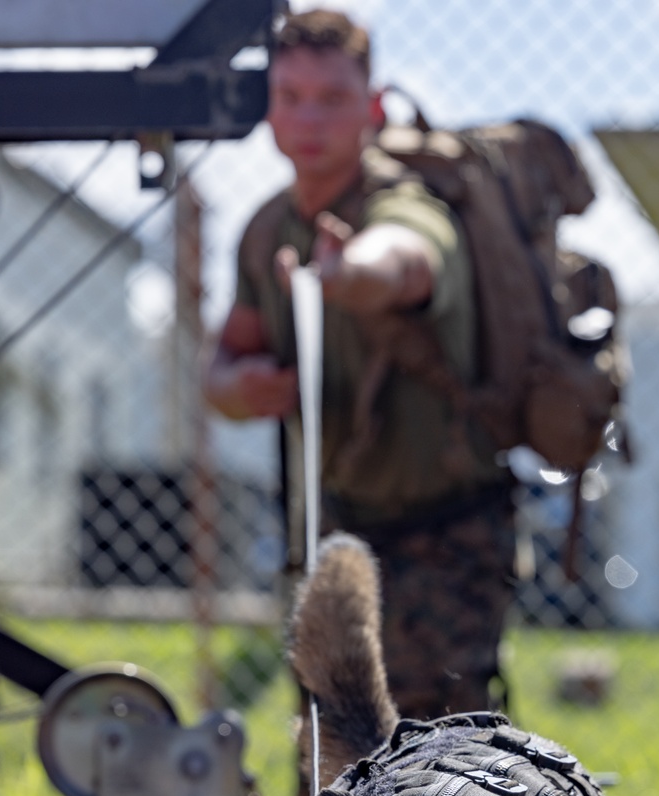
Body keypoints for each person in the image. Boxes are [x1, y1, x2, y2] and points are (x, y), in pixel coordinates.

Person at [205, 8, 515, 724]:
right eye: (291, 97)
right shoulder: (263, 233)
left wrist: (351, 271)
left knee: (433, 747)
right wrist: (242, 389)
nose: (309, 118)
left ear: (371, 109)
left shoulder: (405, 202)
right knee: (325, 741)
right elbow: (221, 369)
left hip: (444, 535)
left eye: (333, 98)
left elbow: (408, 259)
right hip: (334, 527)